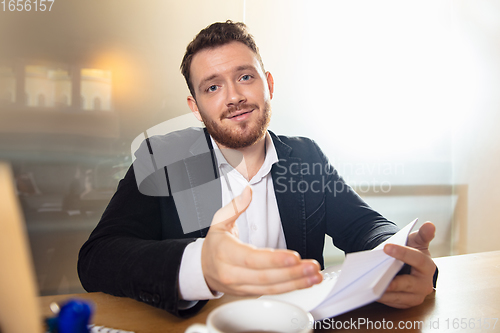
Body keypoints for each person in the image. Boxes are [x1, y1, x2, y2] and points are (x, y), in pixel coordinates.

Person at [78, 21, 437, 318]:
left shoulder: (305, 156)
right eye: (213, 86)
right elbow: (97, 258)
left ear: (269, 84)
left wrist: (402, 256)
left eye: (245, 77)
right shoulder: (163, 158)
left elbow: (365, 226)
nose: (233, 96)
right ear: (195, 107)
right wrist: (199, 264)